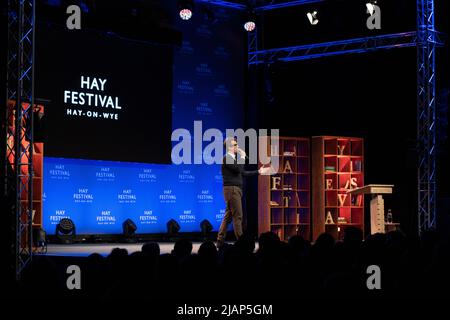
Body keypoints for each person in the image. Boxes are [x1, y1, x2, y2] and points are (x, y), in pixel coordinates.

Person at [217, 137, 265, 248]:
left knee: (228, 216)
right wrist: (242, 156)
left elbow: (242, 172)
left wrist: (258, 172)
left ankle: (220, 240)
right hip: (232, 190)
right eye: (235, 145)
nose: (237, 146)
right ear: (229, 147)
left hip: (235, 189)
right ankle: (242, 243)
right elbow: (238, 169)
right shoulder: (227, 158)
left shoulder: (233, 159)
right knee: (238, 216)